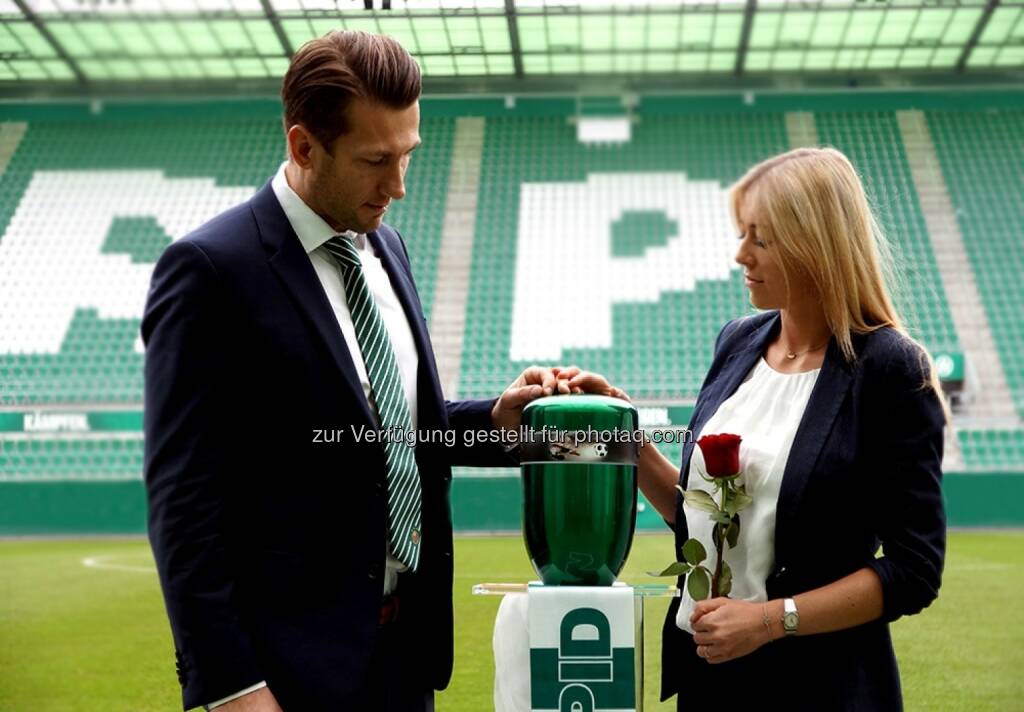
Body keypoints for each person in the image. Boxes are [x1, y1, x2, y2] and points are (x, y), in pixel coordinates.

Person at [142, 30, 592, 712]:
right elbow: (182, 502)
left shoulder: (387, 245)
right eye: (376, 160)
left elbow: (392, 430)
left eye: (408, 154)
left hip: (404, 657)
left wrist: (496, 425)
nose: (400, 186)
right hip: (287, 675)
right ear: (303, 147)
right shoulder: (210, 271)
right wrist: (235, 688)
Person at [563, 147, 947, 710]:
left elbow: (915, 569)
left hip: (823, 688)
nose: (741, 254)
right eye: (743, 234)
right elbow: (701, 514)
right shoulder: (737, 341)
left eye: (760, 239)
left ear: (816, 245)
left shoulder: (891, 369)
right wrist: (624, 434)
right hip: (711, 680)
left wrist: (770, 621)